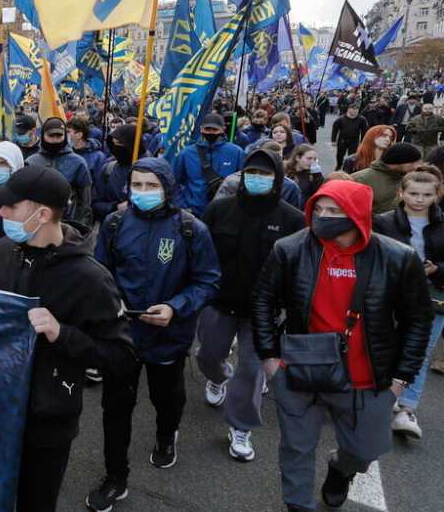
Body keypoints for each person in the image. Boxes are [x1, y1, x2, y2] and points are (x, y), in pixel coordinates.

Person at [0, 164, 134, 512]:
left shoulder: (91, 279)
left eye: (11, 206)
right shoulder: (3, 250)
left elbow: (121, 358)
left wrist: (61, 333)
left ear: (43, 213)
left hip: (46, 425)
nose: (1, 211)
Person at [252, 180, 431, 511]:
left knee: (365, 450)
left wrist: (399, 380)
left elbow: (418, 321)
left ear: (358, 214)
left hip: (367, 381)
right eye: (318, 209)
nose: (322, 217)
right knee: (296, 448)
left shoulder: (398, 259)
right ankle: (297, 505)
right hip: (298, 373)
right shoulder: (289, 249)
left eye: (333, 211)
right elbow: (263, 300)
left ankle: (341, 469)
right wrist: (270, 361)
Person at [87, 157, 219, 512]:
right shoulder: (114, 224)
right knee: (116, 408)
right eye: (137, 185)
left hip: (168, 335)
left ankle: (166, 434)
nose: (143, 192)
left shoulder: (191, 229)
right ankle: (116, 477)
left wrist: (175, 307)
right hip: (123, 336)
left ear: (167, 187)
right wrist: (109, 310)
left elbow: (208, 281)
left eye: (151, 185)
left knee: (167, 396)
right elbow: (99, 276)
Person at [197, 149, 303, 463]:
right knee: (208, 355)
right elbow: (201, 253)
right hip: (219, 301)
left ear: (278, 179)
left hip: (264, 310)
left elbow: (296, 267)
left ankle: (241, 425)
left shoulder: (292, 219)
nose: (257, 179)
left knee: (252, 370)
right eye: (252, 172)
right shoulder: (219, 210)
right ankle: (217, 377)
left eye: (265, 174)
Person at [373, 168, 444, 439]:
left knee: (421, 351)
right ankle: (379, 397)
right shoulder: (384, 222)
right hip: (392, 291)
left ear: (437, 195)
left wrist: (436, 269)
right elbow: (373, 254)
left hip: (432, 295)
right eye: (413, 193)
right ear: (401, 193)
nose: (419, 199)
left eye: (427, 194)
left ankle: (406, 408)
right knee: (383, 344)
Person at [173, 113, 244, 216]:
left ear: (223, 129)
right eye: (207, 129)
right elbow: (174, 182)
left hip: (225, 213)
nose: (211, 132)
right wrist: (183, 206)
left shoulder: (236, 152)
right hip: (194, 213)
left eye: (215, 130)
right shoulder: (186, 153)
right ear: (201, 129)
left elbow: (242, 182)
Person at [27, 117, 93, 226]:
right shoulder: (31, 162)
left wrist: (79, 225)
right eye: (51, 136)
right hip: (37, 223)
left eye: (59, 136)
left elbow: (86, 200)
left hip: (69, 224)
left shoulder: (78, 162)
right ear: (43, 136)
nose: (55, 139)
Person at [353, 142, 423, 215]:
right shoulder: (361, 179)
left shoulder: (408, 178)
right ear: (397, 162)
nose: (416, 166)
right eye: (412, 163)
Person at [93, 124, 138, 225]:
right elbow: (95, 204)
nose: (117, 148)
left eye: (121, 144)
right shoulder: (108, 169)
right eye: (114, 144)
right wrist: (115, 207)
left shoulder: (151, 170)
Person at [68, 115, 107, 184]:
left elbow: (99, 185)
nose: (65, 135)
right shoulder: (67, 153)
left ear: (79, 135)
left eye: (68, 132)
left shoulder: (98, 157)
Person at [331, 105, 369, 171]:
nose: (355, 111)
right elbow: (335, 130)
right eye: (353, 109)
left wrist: (363, 141)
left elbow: (364, 131)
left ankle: (350, 168)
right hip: (342, 140)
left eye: (357, 109)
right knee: (340, 155)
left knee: (352, 156)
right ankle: (339, 165)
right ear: (348, 109)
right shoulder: (340, 119)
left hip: (354, 140)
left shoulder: (362, 119)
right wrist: (333, 140)